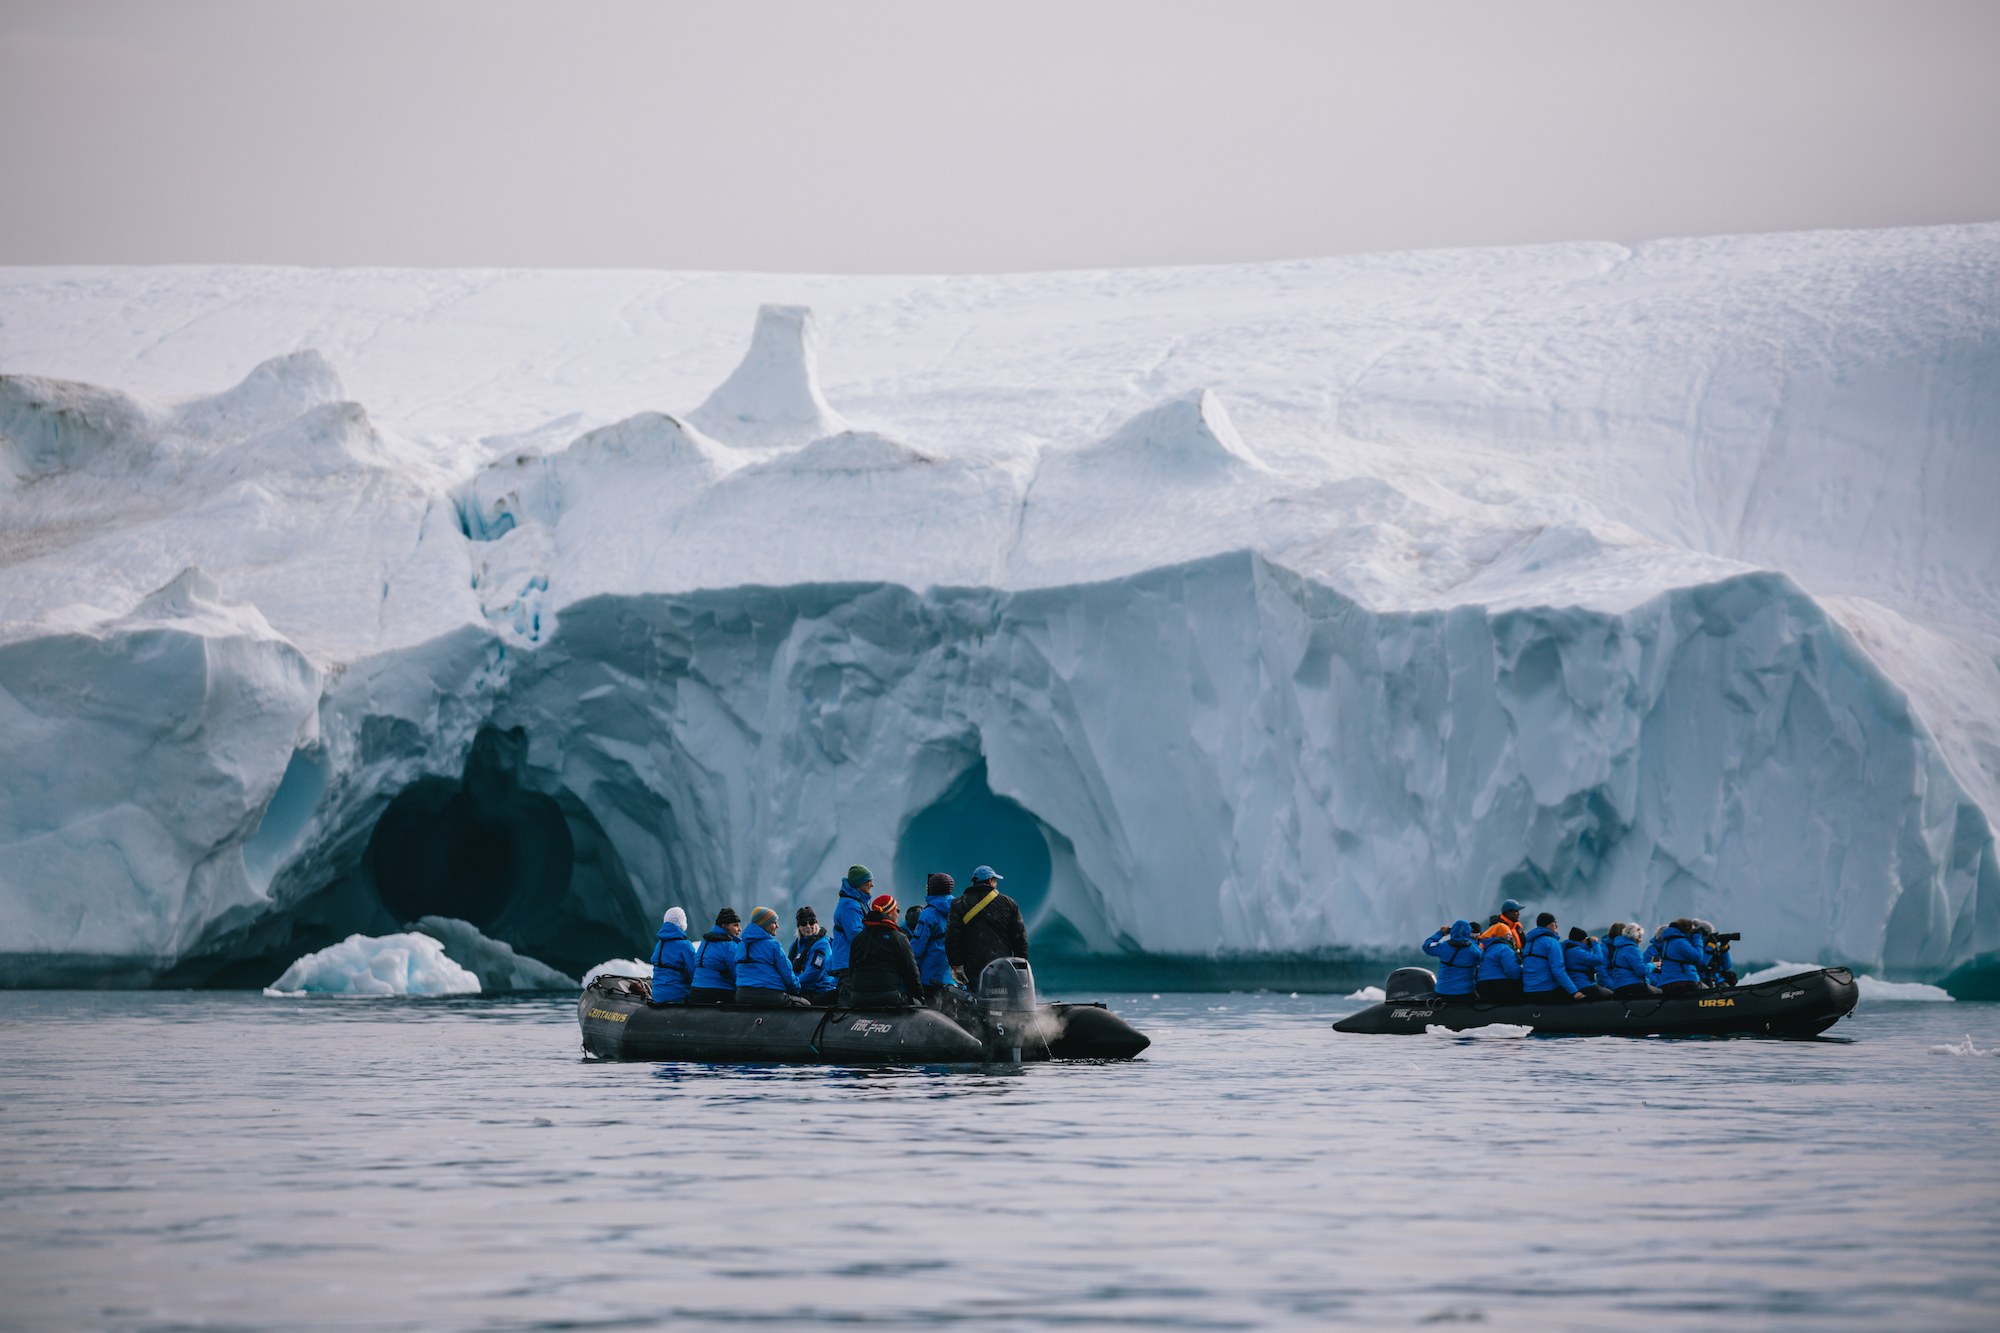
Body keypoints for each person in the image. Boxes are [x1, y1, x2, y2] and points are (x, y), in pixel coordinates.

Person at [947, 864, 1028, 991]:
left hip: (972, 966)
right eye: (995, 880)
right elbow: (1019, 937)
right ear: (990, 880)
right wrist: (1021, 964)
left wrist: (956, 965)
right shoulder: (1008, 903)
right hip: (1002, 965)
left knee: (976, 1000)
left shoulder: (959, 904)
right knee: (1003, 1002)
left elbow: (952, 938)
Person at [842, 893, 924, 1008]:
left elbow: (852, 968)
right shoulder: (899, 938)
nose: (898, 914)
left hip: (858, 997)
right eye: (897, 910)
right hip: (888, 997)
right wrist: (919, 996)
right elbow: (911, 971)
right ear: (890, 913)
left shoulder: (858, 938)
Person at [735, 906, 810, 1007]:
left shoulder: (740, 946)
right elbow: (787, 973)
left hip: (742, 995)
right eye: (774, 922)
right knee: (806, 1004)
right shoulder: (773, 945)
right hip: (770, 995)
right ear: (764, 924)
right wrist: (797, 990)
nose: (777, 926)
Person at [910, 872, 957, 1001]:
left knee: (932, 1013)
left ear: (932, 889)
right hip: (952, 977)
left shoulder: (928, 914)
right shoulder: (958, 909)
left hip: (931, 976)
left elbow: (917, 947)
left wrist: (911, 972)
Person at [1520, 912, 1585, 1002]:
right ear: (1549, 924)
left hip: (1528, 990)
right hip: (1546, 990)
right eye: (1555, 922)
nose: (1557, 925)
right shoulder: (1551, 942)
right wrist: (1575, 992)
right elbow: (1558, 970)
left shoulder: (1529, 943)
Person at [827, 865, 874, 988]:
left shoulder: (856, 901)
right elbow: (855, 935)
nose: (872, 884)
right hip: (848, 963)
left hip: (849, 961)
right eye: (869, 881)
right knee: (848, 998)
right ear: (859, 883)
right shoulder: (850, 905)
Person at [689, 908, 743, 1003]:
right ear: (725, 926)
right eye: (735, 925)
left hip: (695, 990)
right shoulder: (729, 945)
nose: (740, 929)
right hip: (718, 991)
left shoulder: (705, 942)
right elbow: (737, 974)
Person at [1421, 920, 1483, 1002]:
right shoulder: (1474, 950)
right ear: (1468, 933)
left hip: (1442, 991)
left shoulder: (1443, 946)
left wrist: (1441, 933)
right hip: (1465, 992)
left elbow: (1426, 946)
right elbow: (1484, 964)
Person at [648, 906, 698, 1004]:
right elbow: (696, 974)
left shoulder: (660, 944)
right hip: (678, 997)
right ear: (682, 923)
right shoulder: (685, 945)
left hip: (657, 996)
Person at [790, 906, 838, 1004]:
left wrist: (792, 985)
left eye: (811, 922)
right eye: (803, 923)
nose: (808, 926)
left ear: (816, 923)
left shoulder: (822, 945)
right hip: (803, 989)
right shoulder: (796, 945)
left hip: (819, 990)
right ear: (799, 927)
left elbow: (813, 973)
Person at [1603, 922, 1661, 998]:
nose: (1641, 940)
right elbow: (1642, 971)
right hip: (1632, 984)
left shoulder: (1619, 948)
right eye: (1640, 937)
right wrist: (1653, 965)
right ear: (1636, 937)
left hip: (1618, 985)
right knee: (1661, 993)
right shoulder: (1632, 949)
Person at [1652, 919, 1707, 996]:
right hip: (1682, 980)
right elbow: (1698, 956)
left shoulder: (1669, 941)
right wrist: (1697, 937)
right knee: (1708, 992)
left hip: (1667, 981)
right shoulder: (1679, 942)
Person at [1474, 920, 1522, 1001]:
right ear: (1501, 935)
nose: (1511, 937)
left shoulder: (1487, 949)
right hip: (1499, 985)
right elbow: (1512, 971)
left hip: (1482, 986)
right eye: (1508, 934)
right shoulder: (1504, 948)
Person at [1563, 926, 1612, 998]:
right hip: (1584, 985)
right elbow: (1599, 960)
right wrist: (1595, 944)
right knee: (1611, 994)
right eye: (1586, 939)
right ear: (1581, 940)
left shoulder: (1570, 949)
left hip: (1578, 983)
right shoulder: (1577, 952)